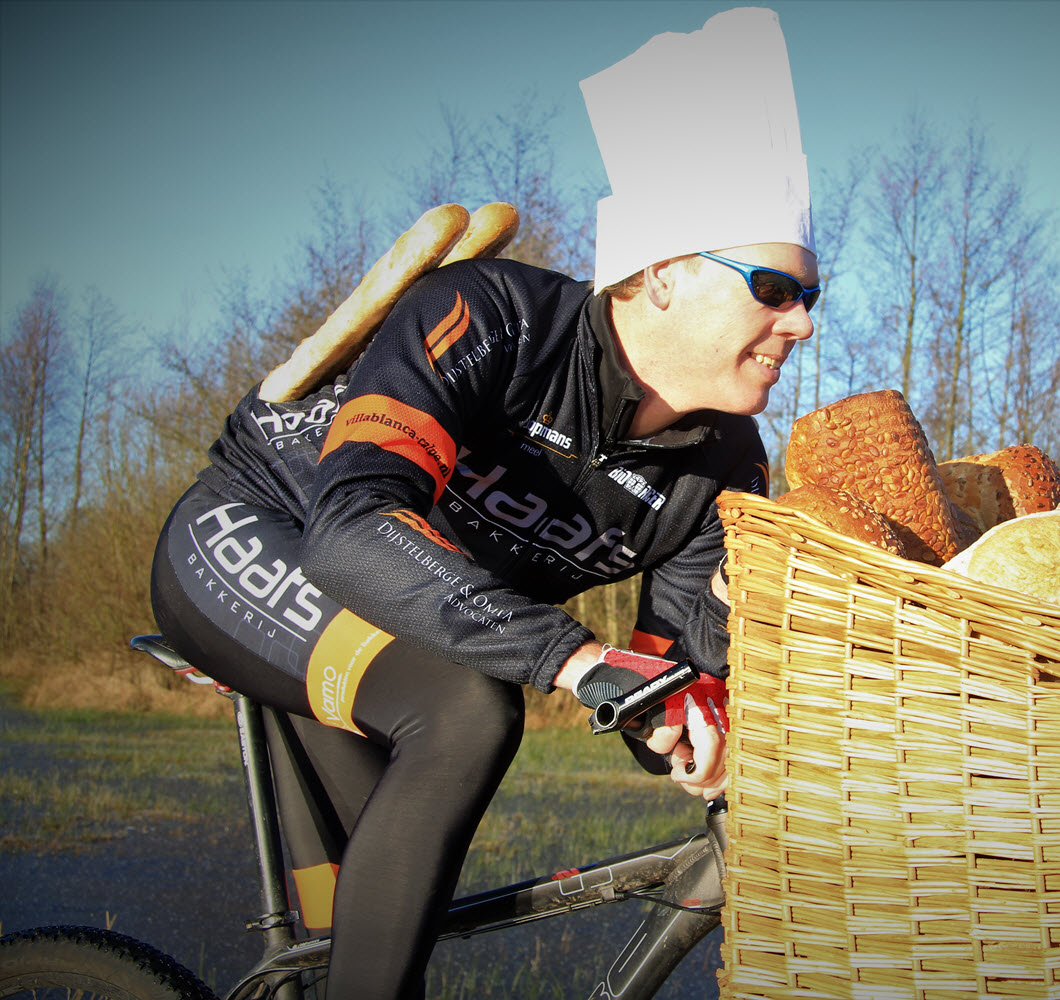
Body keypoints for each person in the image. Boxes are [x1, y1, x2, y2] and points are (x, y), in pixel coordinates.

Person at [146, 8, 817, 999]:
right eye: (773, 287)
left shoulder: (722, 468)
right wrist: (568, 654)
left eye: (812, 295)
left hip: (409, 629)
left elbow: (660, 665)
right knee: (468, 709)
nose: (800, 323)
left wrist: (686, 717)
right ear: (666, 274)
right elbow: (354, 526)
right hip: (256, 535)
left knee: (378, 934)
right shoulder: (493, 315)